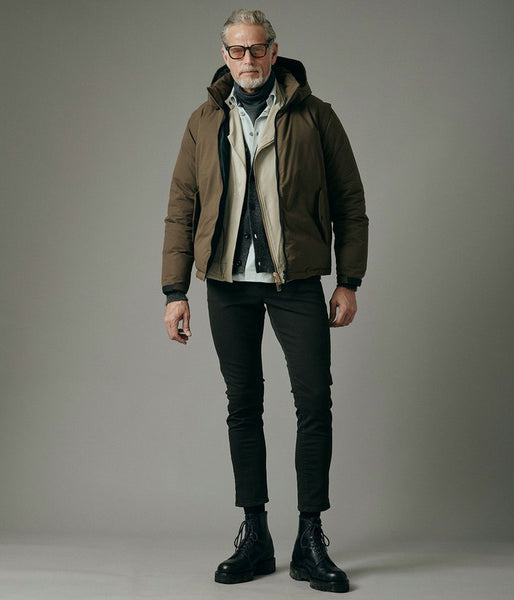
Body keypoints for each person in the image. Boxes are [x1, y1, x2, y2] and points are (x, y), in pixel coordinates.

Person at [162, 9, 368, 594]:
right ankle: (255, 535)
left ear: (274, 52)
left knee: (314, 402)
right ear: (225, 56)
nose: (247, 60)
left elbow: (350, 202)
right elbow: (181, 207)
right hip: (226, 284)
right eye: (237, 51)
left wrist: (348, 280)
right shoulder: (204, 120)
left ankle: (310, 539)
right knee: (243, 406)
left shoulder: (316, 116)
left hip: (295, 281)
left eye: (257, 49)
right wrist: (175, 291)